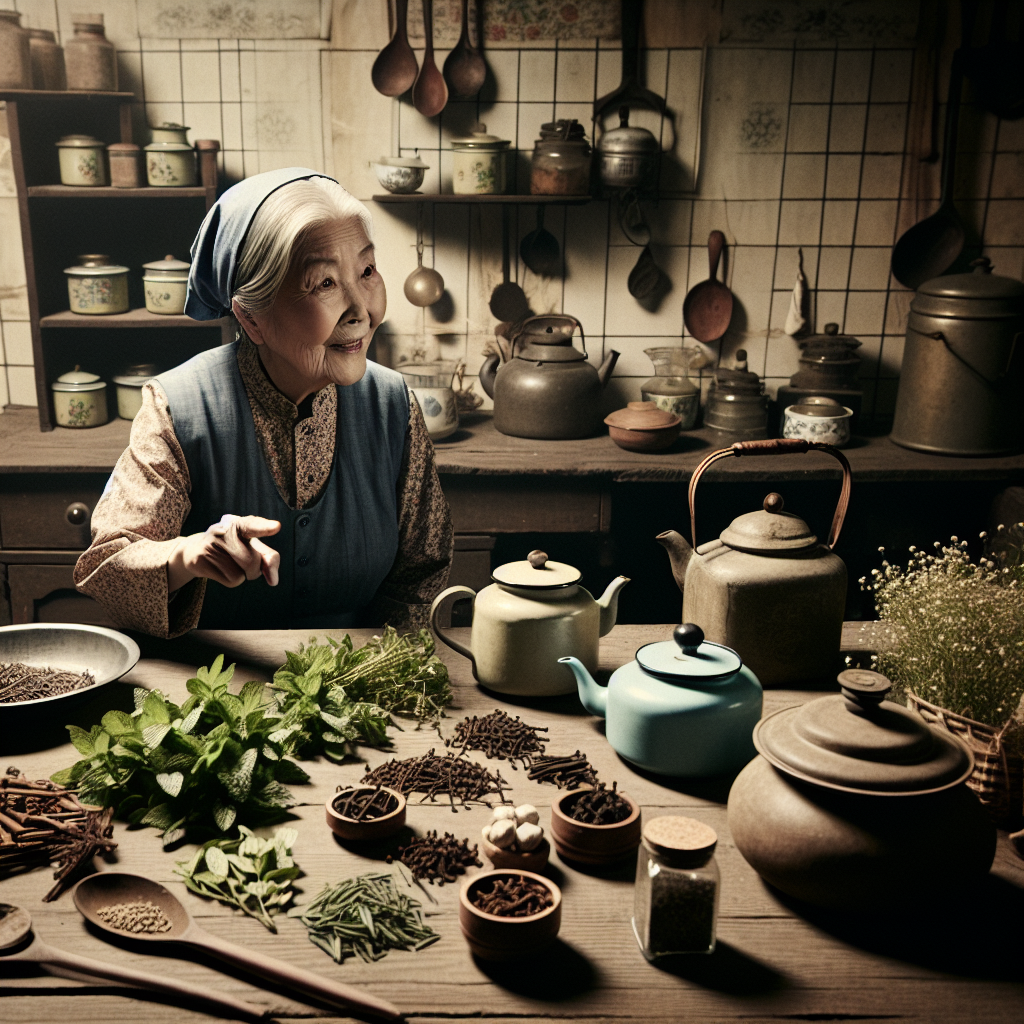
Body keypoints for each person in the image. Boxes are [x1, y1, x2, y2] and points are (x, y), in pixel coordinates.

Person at [75, 167, 453, 636]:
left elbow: (422, 575)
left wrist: (385, 681)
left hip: (359, 688)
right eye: (325, 283)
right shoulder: (178, 407)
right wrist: (186, 555)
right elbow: (108, 568)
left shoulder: (393, 407)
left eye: (367, 271)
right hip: (214, 687)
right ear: (251, 319)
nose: (362, 309)